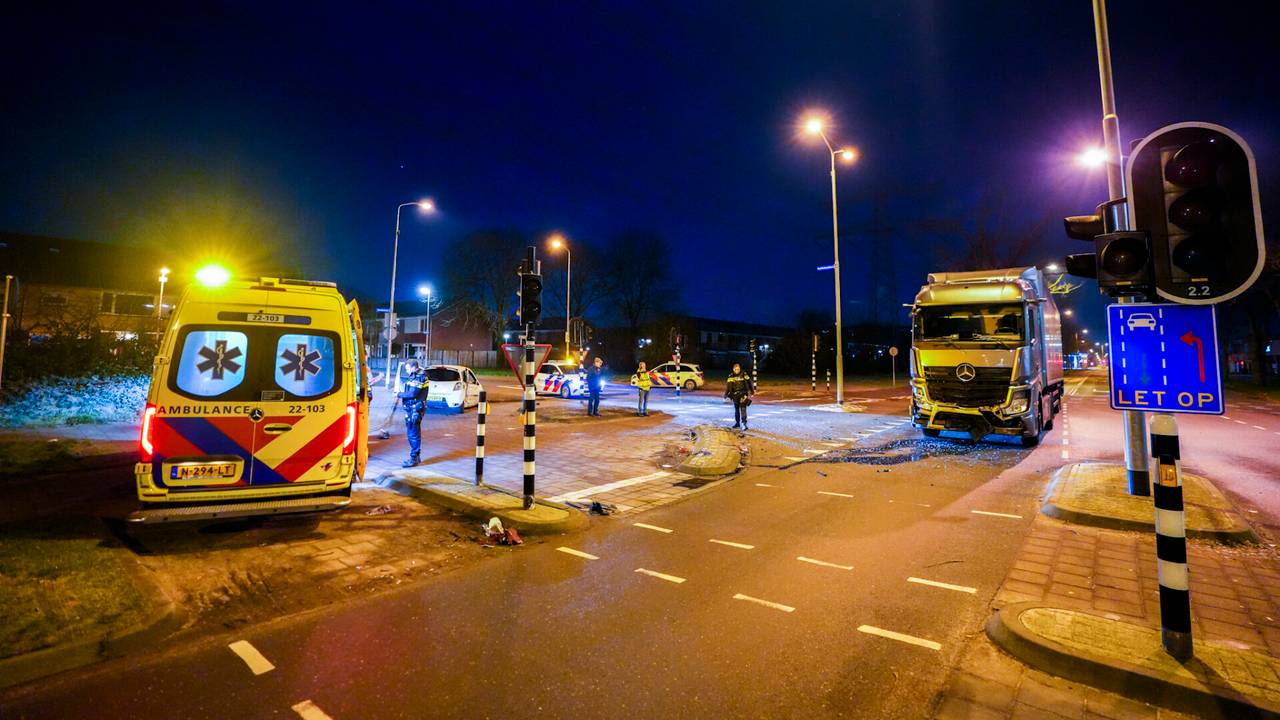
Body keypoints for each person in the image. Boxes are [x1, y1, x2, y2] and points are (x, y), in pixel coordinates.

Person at [398, 360, 430, 467]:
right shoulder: (415, 375)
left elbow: (413, 393)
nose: (407, 371)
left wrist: (399, 394)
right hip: (412, 408)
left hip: (415, 409)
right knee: (413, 432)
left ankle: (414, 458)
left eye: (407, 369)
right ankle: (416, 457)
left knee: (413, 434)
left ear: (413, 367)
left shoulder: (420, 376)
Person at [725, 362, 754, 430]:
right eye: (735, 369)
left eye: (738, 369)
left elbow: (749, 382)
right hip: (735, 395)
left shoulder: (744, 374)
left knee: (743, 408)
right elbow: (728, 386)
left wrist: (752, 391)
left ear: (740, 369)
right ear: (733, 369)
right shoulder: (731, 376)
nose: (737, 370)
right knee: (736, 409)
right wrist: (726, 394)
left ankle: (744, 424)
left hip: (743, 394)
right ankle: (737, 423)